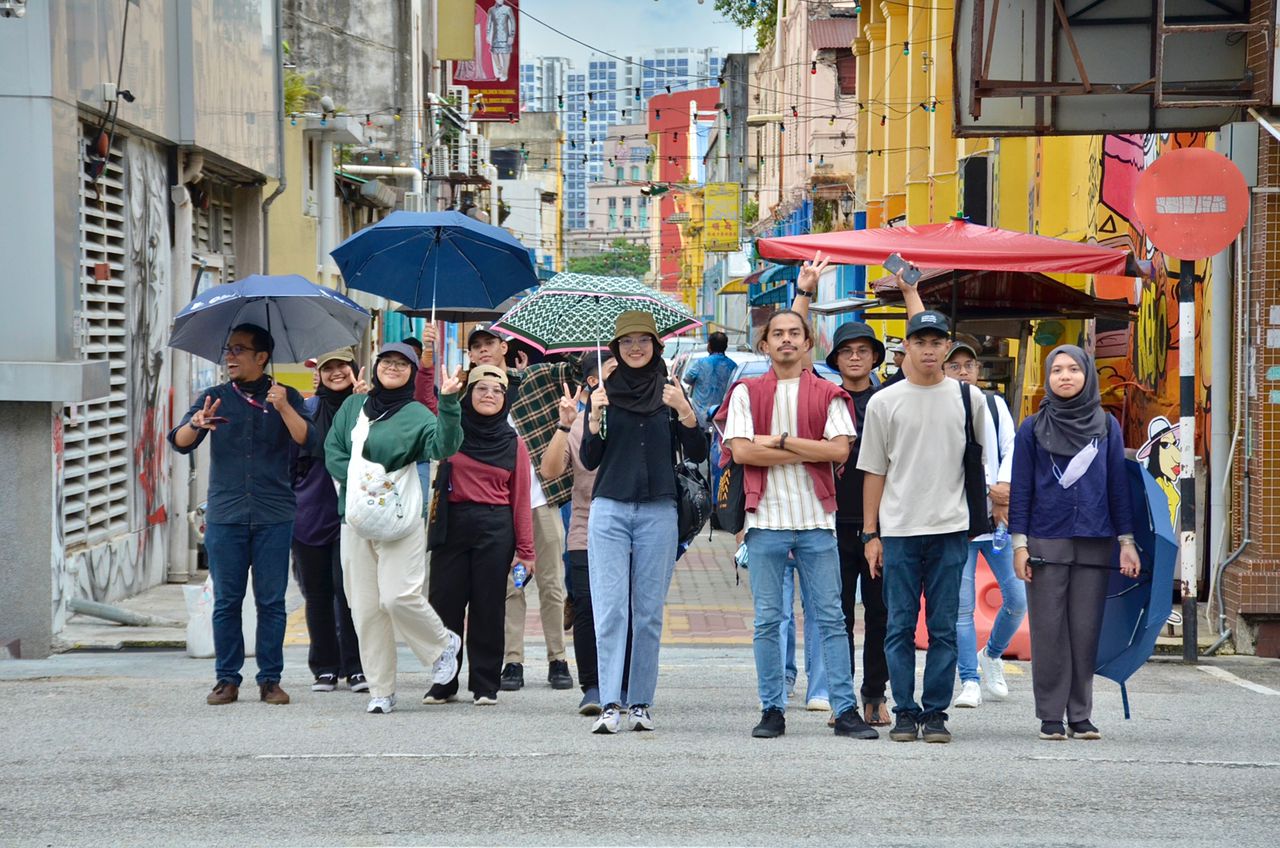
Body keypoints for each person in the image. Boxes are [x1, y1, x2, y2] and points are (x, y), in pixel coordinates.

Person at [721, 306, 877, 741]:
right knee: (768, 620)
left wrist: (783, 441)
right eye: (778, 334)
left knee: (830, 618)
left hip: (818, 521)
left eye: (795, 333)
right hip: (764, 521)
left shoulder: (828, 393)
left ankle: (845, 709)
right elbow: (742, 453)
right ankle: (772, 708)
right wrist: (811, 449)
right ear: (765, 344)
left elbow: (841, 452)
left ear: (808, 343)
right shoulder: (745, 393)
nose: (787, 340)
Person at [857, 310, 993, 744]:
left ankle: (935, 712)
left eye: (937, 342)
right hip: (897, 531)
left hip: (950, 528)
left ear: (946, 346)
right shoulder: (884, 402)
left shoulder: (970, 399)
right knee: (897, 625)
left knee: (943, 627)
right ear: (906, 349)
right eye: (921, 342)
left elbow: (981, 463)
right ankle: (904, 710)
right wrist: (870, 533)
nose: (929, 350)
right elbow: (874, 471)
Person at [168, 323, 316, 706]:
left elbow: (306, 439)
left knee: (271, 602)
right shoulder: (214, 397)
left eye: (239, 349)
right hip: (226, 515)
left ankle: (270, 680)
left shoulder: (288, 395)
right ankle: (227, 679)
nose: (229, 357)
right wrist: (194, 424)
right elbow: (180, 442)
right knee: (227, 601)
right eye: (228, 349)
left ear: (261, 357)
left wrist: (283, 406)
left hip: (274, 514)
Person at [581, 311, 707, 733]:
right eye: (627, 341)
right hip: (610, 510)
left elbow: (699, 451)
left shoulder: (672, 392)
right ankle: (609, 702)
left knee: (648, 613)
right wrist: (594, 418)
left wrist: (685, 412)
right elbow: (590, 459)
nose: (636, 348)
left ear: (657, 345)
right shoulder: (602, 393)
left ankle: (640, 703)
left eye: (644, 340)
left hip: (659, 510)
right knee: (611, 609)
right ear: (615, 348)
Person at [324, 342, 466, 715]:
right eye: (386, 361)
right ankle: (382, 690)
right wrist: (360, 483)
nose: (392, 367)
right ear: (375, 367)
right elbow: (334, 449)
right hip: (355, 518)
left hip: (400, 515)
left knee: (397, 597)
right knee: (366, 609)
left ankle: (442, 645)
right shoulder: (353, 407)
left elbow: (443, 446)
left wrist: (449, 404)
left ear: (413, 371)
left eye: (402, 363)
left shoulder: (418, 414)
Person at [1010, 345, 1140, 741]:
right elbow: (1021, 490)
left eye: (1073, 369)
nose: (1065, 376)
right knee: (1048, 631)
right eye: (1057, 371)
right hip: (1046, 539)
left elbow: (1119, 487)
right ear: (1048, 378)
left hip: (1095, 540)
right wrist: (1019, 544)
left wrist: (1127, 541)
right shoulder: (1031, 428)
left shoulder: (1107, 425)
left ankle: (1080, 713)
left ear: (1087, 376)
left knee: (1085, 631)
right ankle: (1051, 714)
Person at [466, 326, 574, 694]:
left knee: (551, 582)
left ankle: (557, 657)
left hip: (541, 499)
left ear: (503, 347)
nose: (483, 351)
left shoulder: (530, 380)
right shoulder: (469, 394)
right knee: (510, 587)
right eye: (476, 347)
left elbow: (573, 371)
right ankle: (513, 660)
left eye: (489, 345)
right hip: (498, 505)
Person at [424, 365, 536, 706]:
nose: (489, 395)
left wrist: (526, 551)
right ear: (467, 395)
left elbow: (521, 498)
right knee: (445, 605)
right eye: (481, 388)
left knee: (488, 606)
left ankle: (486, 684)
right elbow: (431, 414)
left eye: (497, 390)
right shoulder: (451, 432)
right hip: (452, 522)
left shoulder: (513, 442)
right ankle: (444, 681)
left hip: (495, 525)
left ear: (505, 399)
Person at [541, 353, 633, 716]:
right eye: (612, 370)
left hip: (630, 530)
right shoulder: (578, 423)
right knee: (587, 607)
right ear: (593, 382)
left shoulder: (638, 417)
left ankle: (624, 684)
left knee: (626, 608)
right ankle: (593, 685)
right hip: (585, 529)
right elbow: (550, 472)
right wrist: (563, 427)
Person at [943, 340, 1025, 709]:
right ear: (943, 371)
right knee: (960, 608)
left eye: (969, 366)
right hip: (956, 519)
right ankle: (969, 680)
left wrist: (1003, 489)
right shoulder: (938, 406)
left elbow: (1011, 448)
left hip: (997, 520)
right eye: (955, 366)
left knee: (1017, 599)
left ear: (978, 370)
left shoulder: (994, 405)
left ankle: (990, 655)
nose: (963, 372)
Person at [292, 348, 368, 694]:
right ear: (318, 374)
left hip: (353, 512)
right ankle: (325, 666)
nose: (335, 373)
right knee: (317, 593)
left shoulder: (368, 406)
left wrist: (365, 406)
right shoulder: (306, 409)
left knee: (349, 591)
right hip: (310, 512)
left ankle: (356, 666)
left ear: (354, 369)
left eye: (342, 366)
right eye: (328, 368)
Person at [683, 331, 737, 426]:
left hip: (700, 417)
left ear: (709, 346)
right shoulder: (732, 366)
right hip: (723, 417)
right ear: (725, 347)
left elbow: (687, 379)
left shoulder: (701, 363)